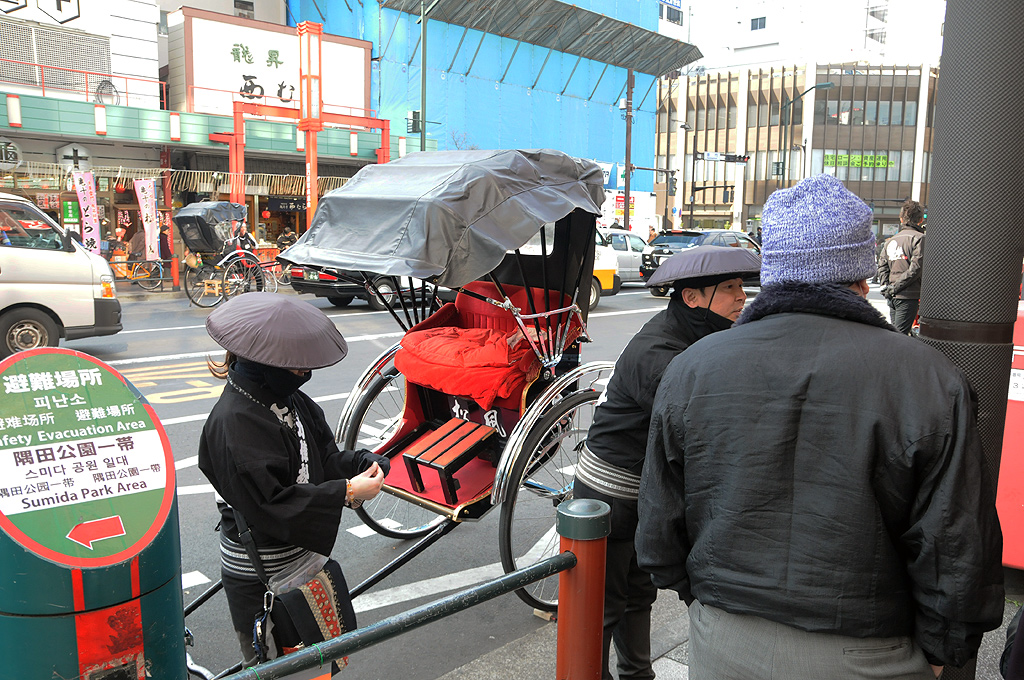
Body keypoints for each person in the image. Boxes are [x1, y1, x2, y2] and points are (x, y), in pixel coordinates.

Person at [636, 174, 1004, 680]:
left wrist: (700, 599)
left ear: (774, 269)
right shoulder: (929, 377)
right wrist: (942, 652)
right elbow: (957, 542)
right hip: (871, 649)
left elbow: (660, 521)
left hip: (723, 635)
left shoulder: (694, 367)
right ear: (861, 276)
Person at [575, 245, 759, 680]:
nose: (741, 298)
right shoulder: (660, 353)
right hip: (613, 491)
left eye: (741, 287)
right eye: (729, 288)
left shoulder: (692, 334)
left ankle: (638, 674)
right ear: (692, 297)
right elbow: (699, 429)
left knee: (638, 593)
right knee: (604, 603)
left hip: (645, 489)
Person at [198, 293, 391, 666]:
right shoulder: (233, 420)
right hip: (260, 566)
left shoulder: (291, 399)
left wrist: (359, 462)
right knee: (273, 660)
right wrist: (347, 491)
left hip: (299, 555)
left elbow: (323, 458)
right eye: (296, 368)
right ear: (262, 362)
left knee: (315, 659)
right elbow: (272, 502)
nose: (304, 375)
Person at [877, 199, 926, 334]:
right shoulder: (919, 238)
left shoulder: (891, 240)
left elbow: (882, 266)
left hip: (892, 295)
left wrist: (887, 287)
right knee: (900, 335)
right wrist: (895, 287)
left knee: (895, 333)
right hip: (908, 294)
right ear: (920, 219)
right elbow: (915, 268)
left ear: (901, 219)